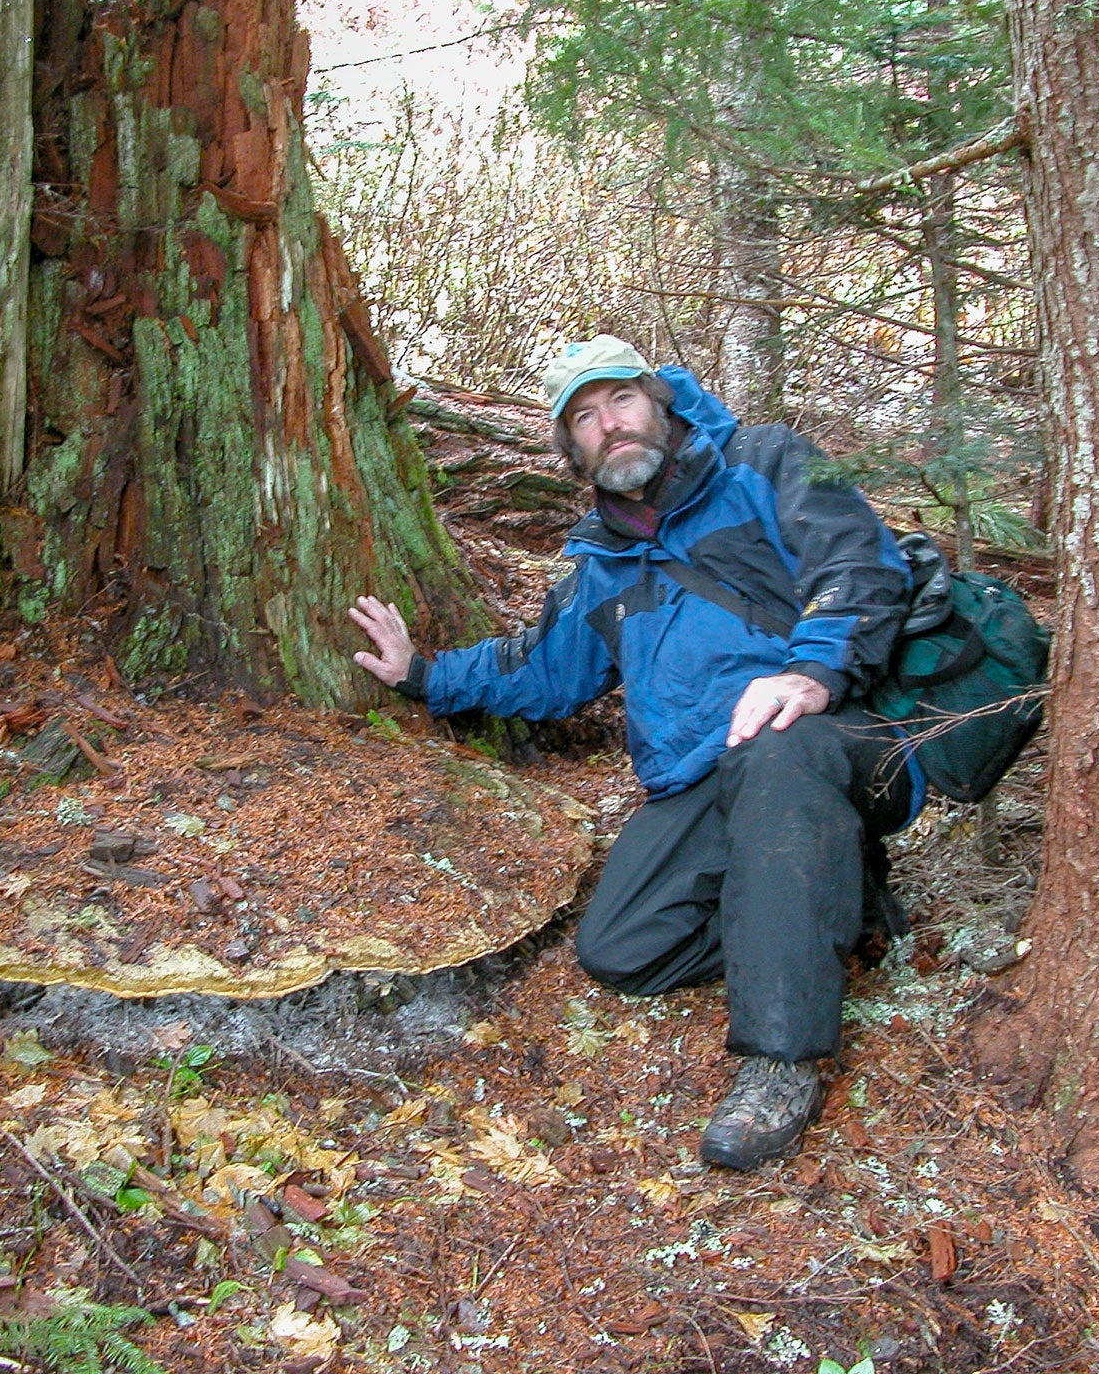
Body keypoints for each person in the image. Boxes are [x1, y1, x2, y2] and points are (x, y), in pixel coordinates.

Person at [348, 335, 919, 1170]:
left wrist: (811, 671)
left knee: (776, 754)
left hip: (834, 738)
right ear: (570, 448)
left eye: (620, 399)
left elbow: (861, 563)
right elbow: (541, 670)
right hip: (706, 776)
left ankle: (780, 1064)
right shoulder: (605, 562)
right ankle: (828, 892)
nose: (609, 424)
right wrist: (422, 675)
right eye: (583, 417)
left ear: (659, 401)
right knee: (622, 949)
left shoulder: (765, 461)